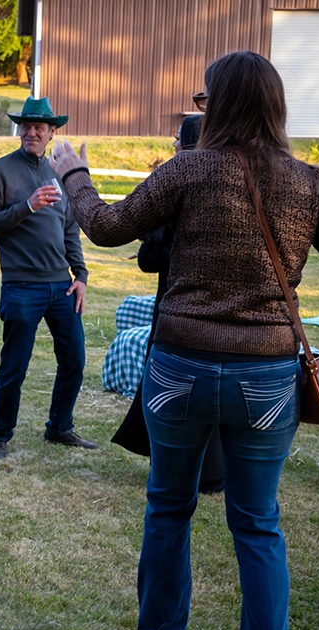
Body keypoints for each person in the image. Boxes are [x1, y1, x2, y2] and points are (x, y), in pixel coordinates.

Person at [52, 51, 319, 630]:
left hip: (179, 367)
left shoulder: (187, 169)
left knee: (167, 510)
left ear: (219, 104)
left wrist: (74, 174)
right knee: (256, 525)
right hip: (267, 378)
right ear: (275, 104)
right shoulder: (308, 182)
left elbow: (107, 226)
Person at [0, 97, 95, 460]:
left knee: (74, 361)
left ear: (51, 132)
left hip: (62, 286)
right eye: (26, 126)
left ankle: (59, 427)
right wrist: (28, 205)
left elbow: (70, 229)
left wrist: (81, 275)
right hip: (21, 286)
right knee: (14, 366)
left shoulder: (58, 173)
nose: (31, 132)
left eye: (39, 127)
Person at [112, 114, 224, 495]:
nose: (173, 144)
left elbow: (153, 252)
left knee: (171, 392)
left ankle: (181, 470)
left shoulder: (181, 183)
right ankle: (210, 472)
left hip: (176, 312)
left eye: (178, 137)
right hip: (217, 316)